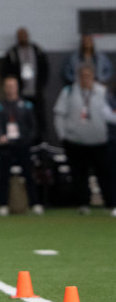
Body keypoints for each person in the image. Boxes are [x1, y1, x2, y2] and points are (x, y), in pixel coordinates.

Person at [53, 64, 116, 214]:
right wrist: (63, 136)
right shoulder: (68, 92)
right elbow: (59, 115)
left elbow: (111, 113)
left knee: (106, 174)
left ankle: (111, 204)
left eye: (89, 76)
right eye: (83, 76)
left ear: (93, 77)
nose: (86, 79)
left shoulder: (103, 91)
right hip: (76, 142)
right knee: (79, 175)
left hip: (100, 142)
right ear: (78, 76)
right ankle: (83, 204)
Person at [0, 76, 43, 215]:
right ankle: (3, 204)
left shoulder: (26, 105)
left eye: (13, 85)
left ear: (17, 87)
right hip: (5, 146)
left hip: (22, 145)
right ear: (4, 88)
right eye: (8, 86)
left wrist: (26, 139)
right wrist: (0, 136)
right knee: (3, 176)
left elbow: (33, 126)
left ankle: (35, 203)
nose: (10, 89)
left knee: (28, 174)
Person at [1, 27, 50, 143]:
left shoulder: (36, 50)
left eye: (24, 35)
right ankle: (22, 140)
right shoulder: (12, 53)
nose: (22, 38)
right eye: (20, 36)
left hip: (35, 92)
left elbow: (45, 69)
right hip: (20, 93)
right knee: (21, 117)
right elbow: (5, 72)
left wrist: (40, 85)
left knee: (38, 117)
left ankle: (40, 141)